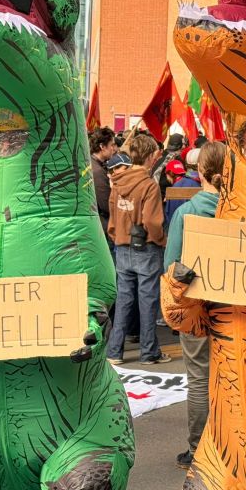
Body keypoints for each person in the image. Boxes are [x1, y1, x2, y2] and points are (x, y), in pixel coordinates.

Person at [164, 141, 226, 469]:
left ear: (199, 170)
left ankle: (199, 448)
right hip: (236, 311)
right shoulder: (240, 211)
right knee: (233, 376)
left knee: (200, 377)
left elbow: (172, 267)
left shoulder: (187, 214)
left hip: (197, 309)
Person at [106, 134, 171, 365]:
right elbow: (152, 222)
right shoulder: (148, 185)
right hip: (146, 249)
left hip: (122, 246)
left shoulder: (117, 182)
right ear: (150, 156)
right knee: (148, 301)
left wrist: (117, 236)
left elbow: (113, 218)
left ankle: (114, 351)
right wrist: (161, 239)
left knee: (124, 300)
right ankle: (149, 352)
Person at [89, 126, 117, 238]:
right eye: (111, 145)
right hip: (102, 226)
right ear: (102, 146)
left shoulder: (96, 165)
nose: (113, 149)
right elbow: (106, 204)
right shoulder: (97, 171)